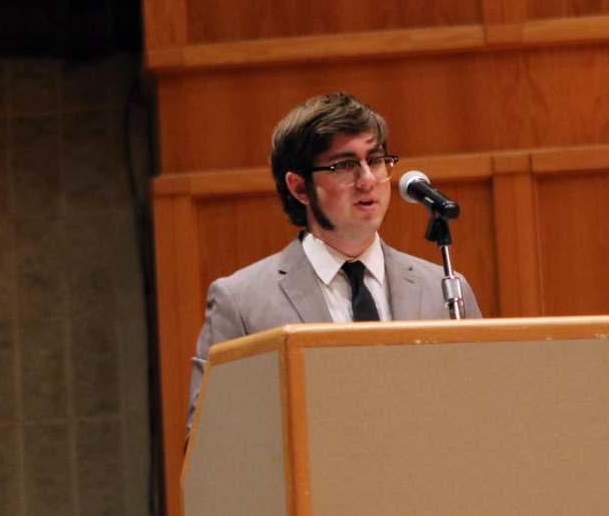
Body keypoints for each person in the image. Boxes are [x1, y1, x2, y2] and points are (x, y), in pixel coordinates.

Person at [186, 92, 481, 432]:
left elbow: (481, 420)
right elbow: (210, 442)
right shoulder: (240, 302)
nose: (368, 179)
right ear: (299, 187)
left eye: (376, 160)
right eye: (344, 165)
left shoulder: (444, 289)